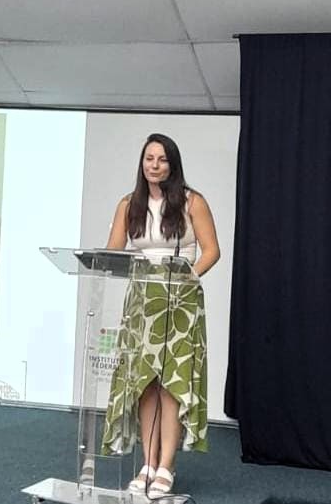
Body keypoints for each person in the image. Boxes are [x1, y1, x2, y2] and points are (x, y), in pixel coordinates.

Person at [101, 133, 220, 500]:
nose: (154, 165)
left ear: (173, 164)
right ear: (142, 164)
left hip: (179, 302)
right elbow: (113, 251)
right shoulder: (127, 204)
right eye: (149, 159)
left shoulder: (191, 201)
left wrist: (186, 279)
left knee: (171, 385)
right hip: (141, 303)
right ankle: (147, 464)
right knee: (144, 385)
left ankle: (167, 465)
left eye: (162, 159)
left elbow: (212, 251)